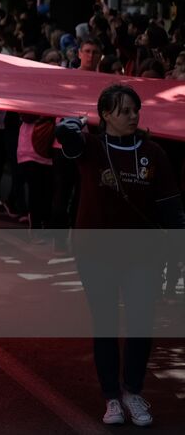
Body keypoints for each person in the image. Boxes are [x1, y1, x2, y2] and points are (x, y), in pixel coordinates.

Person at [56, 85, 184, 427]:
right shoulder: (91, 148)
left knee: (141, 322)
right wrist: (75, 123)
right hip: (95, 253)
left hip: (142, 254)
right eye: (124, 110)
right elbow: (64, 134)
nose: (132, 116)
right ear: (106, 115)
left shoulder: (154, 153)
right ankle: (112, 397)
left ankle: (133, 392)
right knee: (106, 324)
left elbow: (170, 207)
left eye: (135, 110)